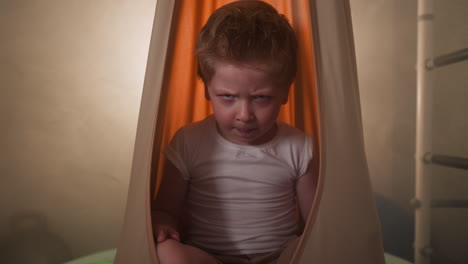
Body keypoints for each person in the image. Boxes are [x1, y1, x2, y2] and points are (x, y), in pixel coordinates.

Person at [152, 1, 316, 263]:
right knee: (168, 253)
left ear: (285, 91)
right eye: (227, 96)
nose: (244, 115)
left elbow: (315, 224)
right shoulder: (190, 141)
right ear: (207, 90)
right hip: (209, 258)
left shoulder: (298, 146)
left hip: (279, 258)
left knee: (316, 250)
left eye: (261, 98)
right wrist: (162, 225)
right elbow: (164, 210)